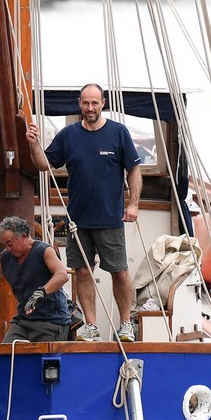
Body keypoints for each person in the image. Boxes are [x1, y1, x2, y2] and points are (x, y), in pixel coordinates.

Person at [25, 83, 142, 342]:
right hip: (78, 220)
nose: (90, 108)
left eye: (95, 103)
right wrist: (34, 145)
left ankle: (125, 325)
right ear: (79, 103)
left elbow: (134, 170)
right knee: (82, 272)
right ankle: (91, 326)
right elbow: (44, 164)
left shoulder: (118, 133)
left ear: (103, 103)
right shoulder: (68, 135)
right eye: (86, 103)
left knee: (120, 272)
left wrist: (133, 204)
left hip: (111, 219)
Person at [0, 216, 71, 343]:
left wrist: (41, 292)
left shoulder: (44, 251)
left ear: (24, 236)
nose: (8, 248)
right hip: (24, 320)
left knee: (41, 361)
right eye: (5, 245)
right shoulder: (6, 256)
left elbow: (62, 275)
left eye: (10, 243)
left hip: (51, 321)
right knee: (6, 355)